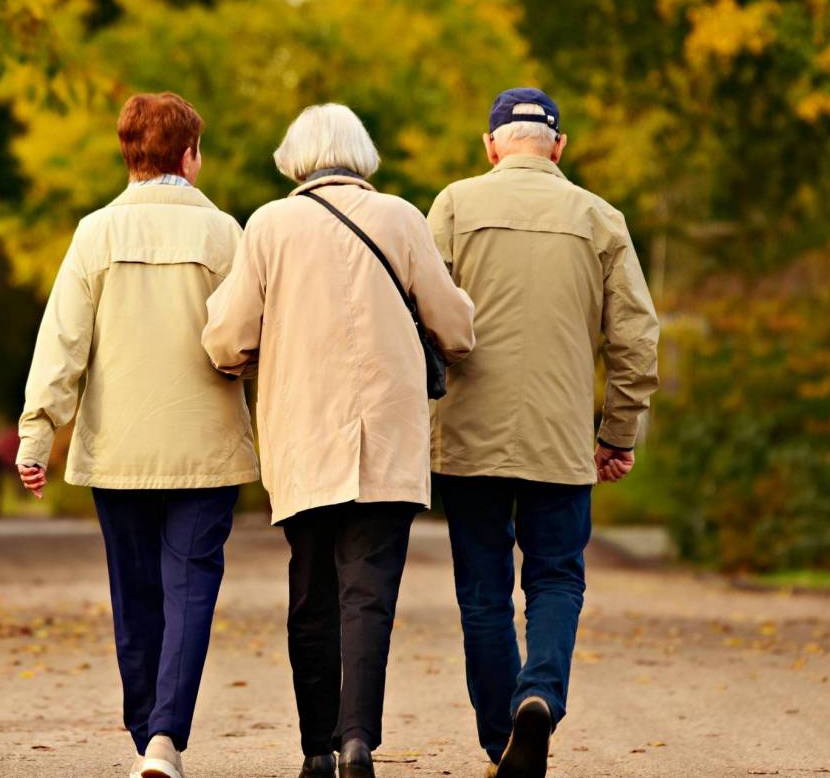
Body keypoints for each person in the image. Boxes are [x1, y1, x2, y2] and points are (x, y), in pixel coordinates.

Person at [202, 104, 475, 778]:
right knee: (368, 593)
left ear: (294, 158)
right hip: (385, 437)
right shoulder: (403, 218)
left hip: (304, 437)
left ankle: (317, 749)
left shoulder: (268, 225)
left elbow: (229, 336)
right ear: (362, 154)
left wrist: (245, 357)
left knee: (311, 592)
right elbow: (457, 329)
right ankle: (359, 739)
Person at [15, 92, 259, 778]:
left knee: (134, 594)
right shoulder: (225, 235)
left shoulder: (95, 233)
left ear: (129, 154)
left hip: (117, 450)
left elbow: (62, 343)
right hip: (205, 449)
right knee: (190, 591)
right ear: (189, 155)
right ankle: (163, 740)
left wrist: (38, 435)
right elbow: (248, 340)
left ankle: (142, 731)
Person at [427, 88, 660, 778]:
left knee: (483, 591)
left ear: (491, 144)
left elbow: (422, 318)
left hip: (469, 437)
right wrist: (617, 430)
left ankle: (503, 735)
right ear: (559, 146)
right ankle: (540, 696)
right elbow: (636, 337)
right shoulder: (598, 217)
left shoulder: (453, 207)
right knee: (556, 579)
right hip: (561, 442)